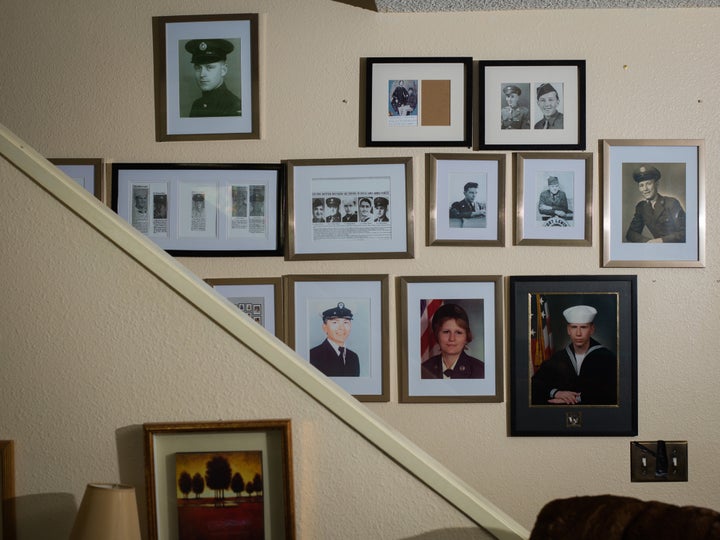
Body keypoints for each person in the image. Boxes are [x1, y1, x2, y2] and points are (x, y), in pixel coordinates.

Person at [531, 305, 617, 405]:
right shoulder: (558, 358)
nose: (578, 333)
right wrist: (556, 393)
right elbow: (535, 384)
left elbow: (613, 392)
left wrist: (576, 399)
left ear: (592, 329)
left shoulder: (607, 358)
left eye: (584, 327)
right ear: (568, 330)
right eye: (574, 327)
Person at [421, 303, 485, 379]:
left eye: (458, 332)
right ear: (437, 335)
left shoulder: (481, 371)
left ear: (466, 337)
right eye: (446, 332)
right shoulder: (424, 369)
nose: (452, 338)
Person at [625, 165, 686, 243]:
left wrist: (662, 241)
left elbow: (685, 233)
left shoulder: (671, 203)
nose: (645, 189)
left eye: (649, 183)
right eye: (641, 185)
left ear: (656, 184)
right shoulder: (641, 207)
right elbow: (630, 234)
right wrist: (648, 242)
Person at [185, 39, 242, 117]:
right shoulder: (197, 105)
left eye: (209, 67)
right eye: (198, 68)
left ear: (223, 71)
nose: (202, 74)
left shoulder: (234, 106)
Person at [309, 302, 359, 377]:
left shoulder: (353, 357)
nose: (341, 328)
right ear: (325, 327)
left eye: (346, 322)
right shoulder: (313, 355)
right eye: (335, 322)